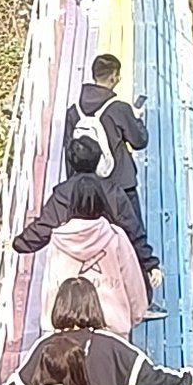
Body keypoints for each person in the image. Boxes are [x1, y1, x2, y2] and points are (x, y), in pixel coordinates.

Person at [0, 273, 193, 385]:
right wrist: (192, 379)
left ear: (59, 305)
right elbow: (154, 379)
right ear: (94, 305)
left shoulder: (46, 347)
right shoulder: (112, 345)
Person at [13, 164, 149, 333]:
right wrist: (136, 314)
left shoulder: (58, 238)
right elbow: (131, 279)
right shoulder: (116, 235)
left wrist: (49, 323)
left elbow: (51, 283)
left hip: (69, 325)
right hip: (112, 324)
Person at [65, 51, 156, 279]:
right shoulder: (119, 108)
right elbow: (140, 140)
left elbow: (70, 152)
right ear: (114, 76)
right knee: (133, 238)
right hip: (121, 187)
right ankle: (142, 294)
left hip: (88, 189)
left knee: (95, 245)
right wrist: (136, 119)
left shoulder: (73, 111)